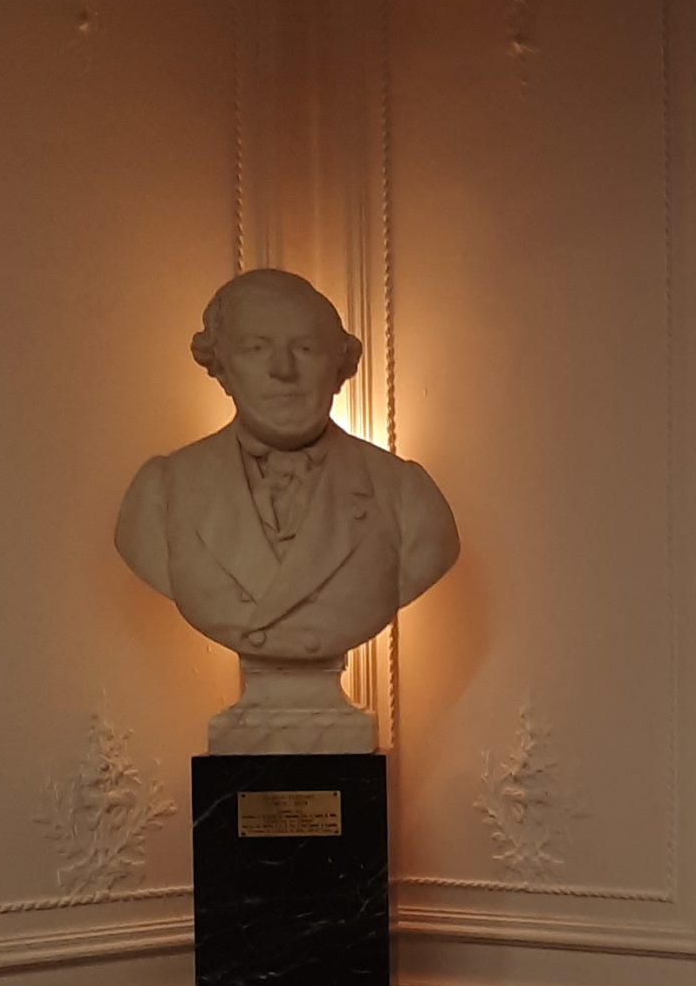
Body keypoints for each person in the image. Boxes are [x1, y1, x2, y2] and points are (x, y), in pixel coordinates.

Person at [114, 269, 458, 750]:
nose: (283, 370)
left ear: (340, 366)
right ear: (221, 366)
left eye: (306, 348)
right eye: (256, 348)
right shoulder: (163, 494)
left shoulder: (406, 496)